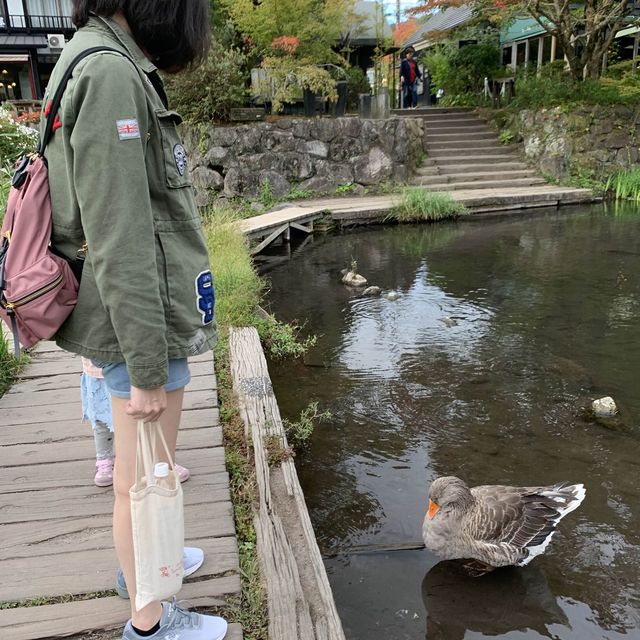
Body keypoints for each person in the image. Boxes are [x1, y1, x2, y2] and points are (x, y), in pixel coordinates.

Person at [45, 2, 225, 639]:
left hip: (133, 316)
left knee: (141, 473)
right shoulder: (112, 74)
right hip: (135, 324)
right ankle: (150, 622)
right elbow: (118, 233)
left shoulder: (97, 57)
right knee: (141, 481)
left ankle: (143, 567)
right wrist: (147, 366)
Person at [81, 358, 191, 488]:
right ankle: (104, 458)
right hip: (100, 369)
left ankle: (160, 460)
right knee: (102, 419)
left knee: (144, 415)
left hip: (132, 371)